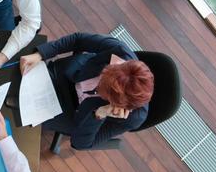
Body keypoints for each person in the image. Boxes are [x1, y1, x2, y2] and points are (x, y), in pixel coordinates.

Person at [18, 32, 153, 150]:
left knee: (16, 116)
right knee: (15, 76)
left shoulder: (134, 119)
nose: (99, 83)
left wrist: (99, 114)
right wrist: (41, 54)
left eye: (103, 89)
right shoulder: (119, 51)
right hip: (65, 76)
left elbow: (81, 144)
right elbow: (79, 39)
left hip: (71, 112)